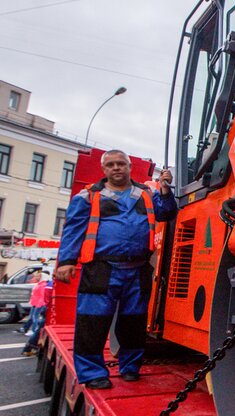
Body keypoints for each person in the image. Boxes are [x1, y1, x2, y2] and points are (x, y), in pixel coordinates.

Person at [54, 150, 177, 389]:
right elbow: (73, 229)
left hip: (137, 269)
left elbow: (166, 212)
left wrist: (165, 190)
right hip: (101, 269)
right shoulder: (88, 196)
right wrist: (66, 261)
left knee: (134, 322)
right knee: (92, 322)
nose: (116, 168)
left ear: (129, 167)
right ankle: (92, 374)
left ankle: (130, 367)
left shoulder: (146, 193)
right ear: (104, 169)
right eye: (110, 165)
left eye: (121, 164)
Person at [21, 274, 53, 356]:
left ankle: (29, 348)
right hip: (47, 307)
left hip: (44, 307)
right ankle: (29, 348)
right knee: (39, 327)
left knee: (39, 327)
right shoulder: (48, 285)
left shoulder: (47, 284)